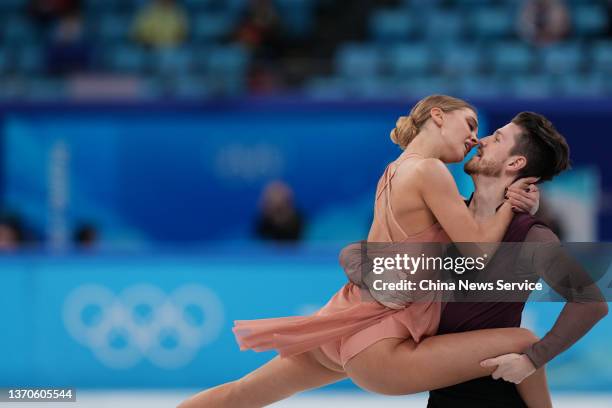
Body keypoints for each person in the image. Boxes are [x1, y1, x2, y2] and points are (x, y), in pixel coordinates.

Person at [178, 95, 547, 408]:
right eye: (469, 124)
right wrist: (509, 208)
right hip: (381, 339)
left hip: (349, 319)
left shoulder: (394, 171)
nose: (474, 137)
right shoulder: (431, 171)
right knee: (525, 341)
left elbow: (375, 251)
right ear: (437, 116)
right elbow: (477, 252)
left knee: (239, 396)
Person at [352, 112, 608, 407]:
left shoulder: (530, 236)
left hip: (495, 396)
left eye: (496, 138)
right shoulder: (439, 221)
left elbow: (591, 302)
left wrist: (532, 360)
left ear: (515, 163)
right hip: (442, 393)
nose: (480, 141)